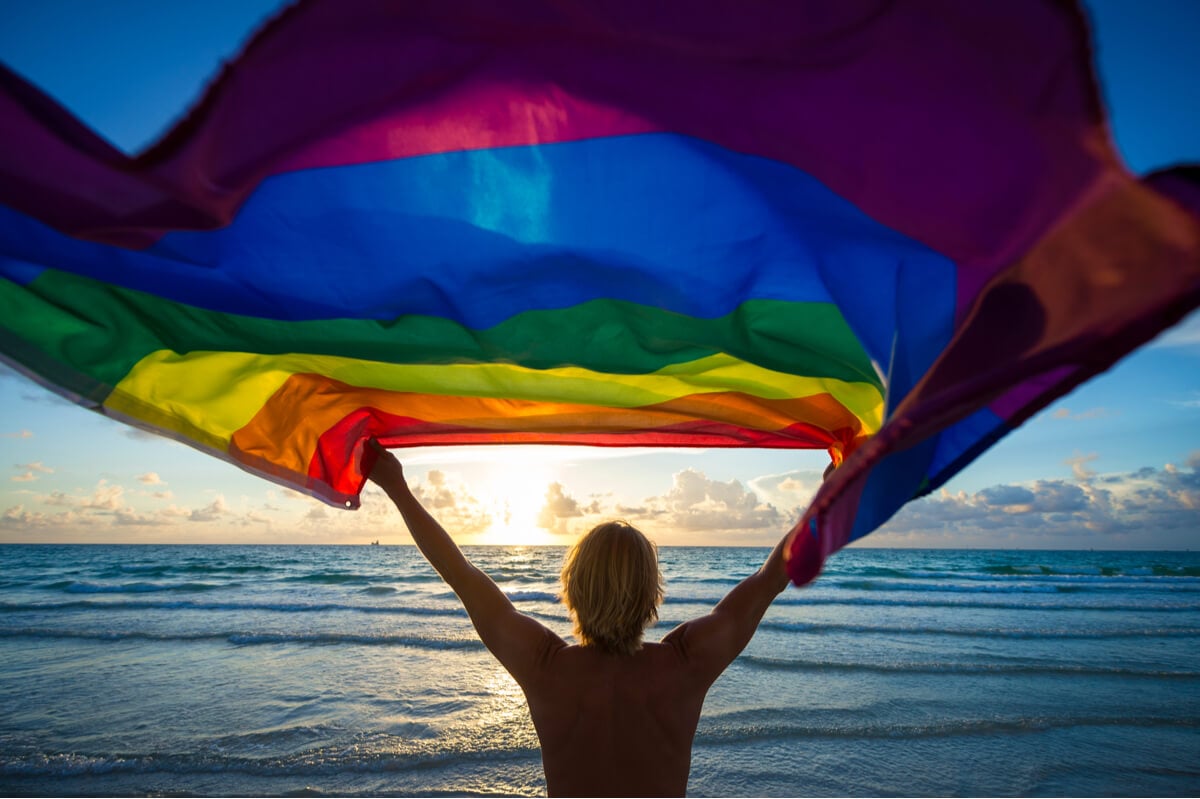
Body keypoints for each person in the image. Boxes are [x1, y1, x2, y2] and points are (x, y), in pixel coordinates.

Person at [366, 439, 795, 797]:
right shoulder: (684, 664)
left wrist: (396, 488)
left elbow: (460, 573)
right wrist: (830, 498)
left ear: (574, 587)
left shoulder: (545, 666)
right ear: (651, 592)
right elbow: (771, 576)